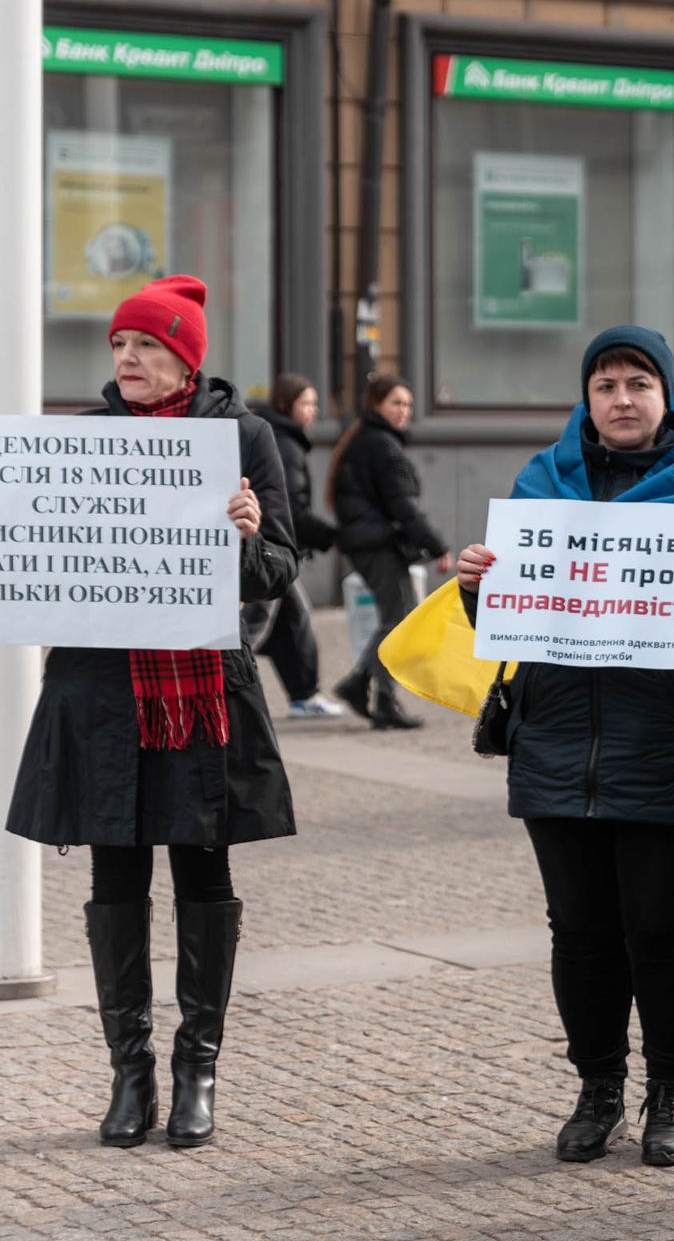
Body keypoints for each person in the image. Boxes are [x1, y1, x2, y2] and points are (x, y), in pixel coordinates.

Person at [453, 326, 674, 1168]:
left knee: (664, 927)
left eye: (638, 383)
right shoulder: (539, 482)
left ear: (667, 396)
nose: (621, 399)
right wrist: (479, 590)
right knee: (578, 932)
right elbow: (508, 627)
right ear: (585, 400)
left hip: (665, 742)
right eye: (605, 385)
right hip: (556, 744)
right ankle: (598, 1089)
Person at [5, 275, 298, 1149]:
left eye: (144, 346)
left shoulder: (244, 437)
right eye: (118, 347)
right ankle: (128, 1074)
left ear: (185, 358)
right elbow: (43, 567)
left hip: (203, 692)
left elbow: (280, 566)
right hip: (102, 695)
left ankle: (196, 1068)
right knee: (115, 876)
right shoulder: (85, 442)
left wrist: (249, 535)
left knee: (204, 874)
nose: (126, 360)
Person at [327, 373, 451, 730]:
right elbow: (404, 507)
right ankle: (374, 693)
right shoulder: (381, 444)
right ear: (376, 405)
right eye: (396, 403)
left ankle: (368, 688)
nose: (404, 411)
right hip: (378, 544)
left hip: (371, 542)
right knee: (400, 622)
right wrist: (438, 546)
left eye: (409, 405)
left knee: (397, 619)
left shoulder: (369, 440)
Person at [248, 372, 341, 717]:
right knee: (259, 622)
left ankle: (304, 696)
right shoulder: (284, 445)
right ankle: (227, 677)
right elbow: (287, 508)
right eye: (307, 403)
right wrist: (329, 537)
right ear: (287, 404)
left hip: (273, 548)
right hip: (272, 550)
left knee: (289, 621)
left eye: (316, 404)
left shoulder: (284, 438)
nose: (313, 411)